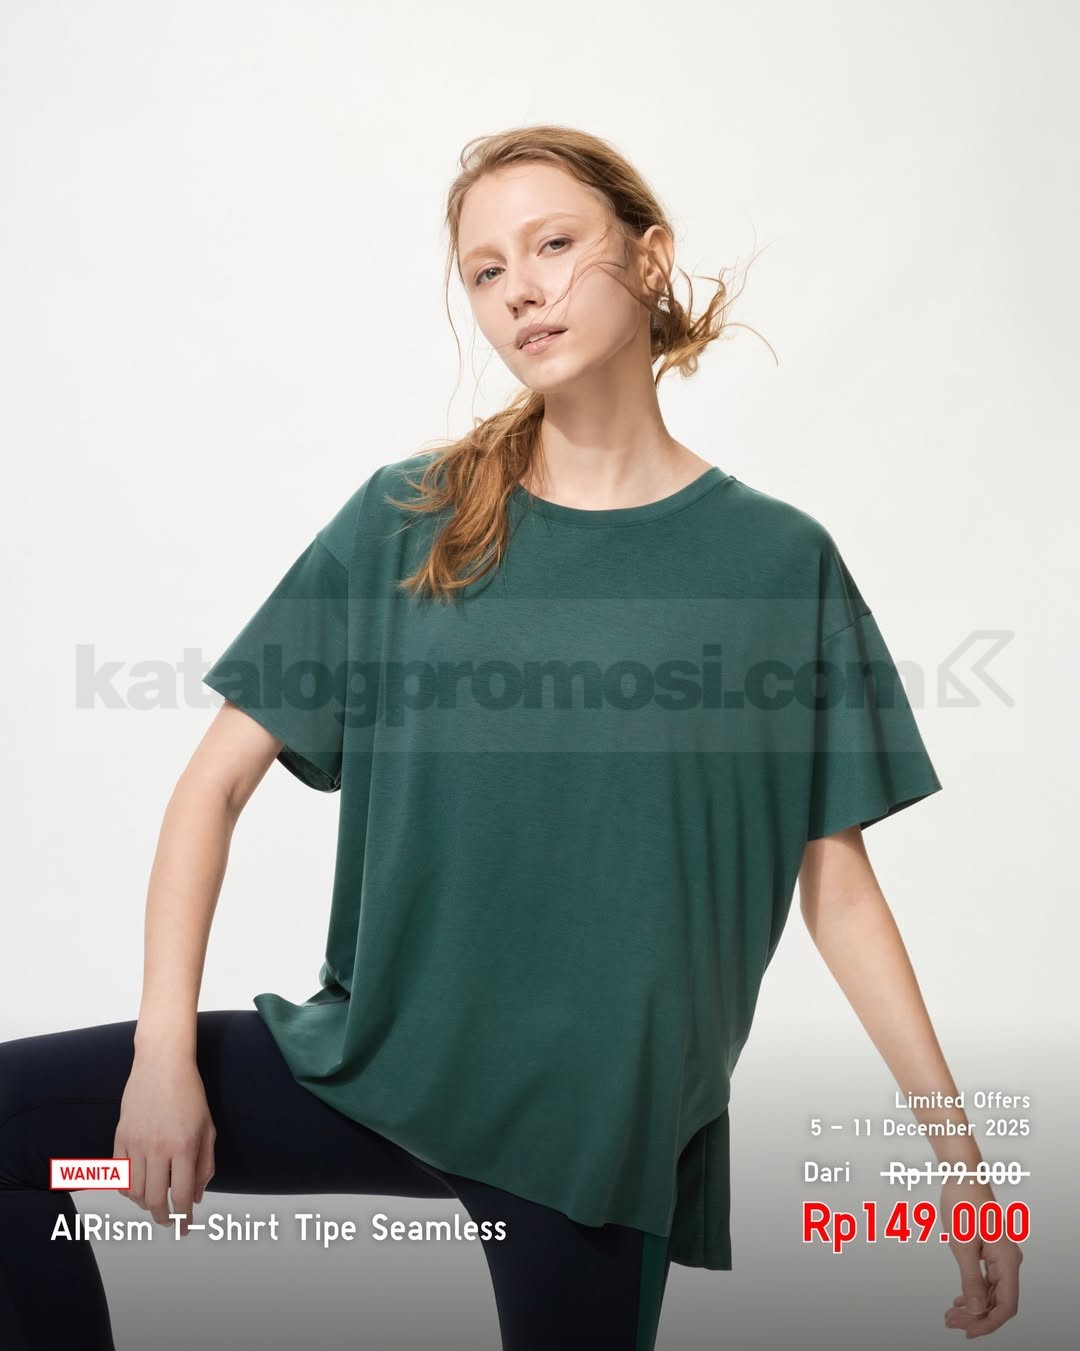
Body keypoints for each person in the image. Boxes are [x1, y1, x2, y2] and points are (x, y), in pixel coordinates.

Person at [0, 124, 1022, 1350]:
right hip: (371, 1073)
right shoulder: (407, 518)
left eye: (553, 245)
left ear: (649, 258)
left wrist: (957, 1163)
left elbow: (835, 884)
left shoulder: (775, 563)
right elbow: (212, 786)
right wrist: (162, 1054)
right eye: (486, 271)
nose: (522, 290)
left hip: (592, 1140)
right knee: (15, 1136)